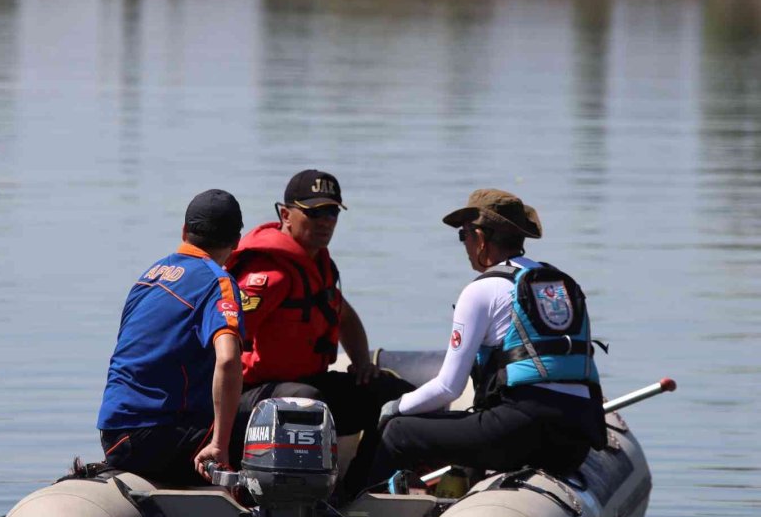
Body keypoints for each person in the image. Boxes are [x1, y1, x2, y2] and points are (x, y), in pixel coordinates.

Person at [370, 188, 607, 487]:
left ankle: (354, 513)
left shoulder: (482, 289)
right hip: (575, 442)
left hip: (522, 431)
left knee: (398, 431)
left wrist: (391, 409)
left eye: (464, 235)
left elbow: (448, 387)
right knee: (476, 424)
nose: (464, 244)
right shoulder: (560, 283)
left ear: (480, 237)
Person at [226, 169, 412, 494]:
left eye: (332, 212)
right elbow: (223, 340)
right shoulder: (269, 276)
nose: (326, 221)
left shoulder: (315, 266)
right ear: (285, 214)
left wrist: (362, 363)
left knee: (396, 395)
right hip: (252, 395)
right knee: (308, 404)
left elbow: (345, 317)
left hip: (307, 383)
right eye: (314, 213)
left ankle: (360, 486)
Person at [97, 189, 245, 484]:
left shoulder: (150, 275)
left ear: (184, 231)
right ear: (237, 242)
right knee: (267, 426)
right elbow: (228, 360)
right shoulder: (218, 282)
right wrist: (218, 445)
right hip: (158, 438)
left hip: (113, 434)